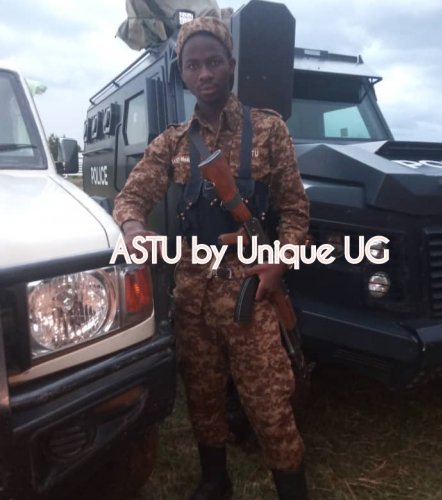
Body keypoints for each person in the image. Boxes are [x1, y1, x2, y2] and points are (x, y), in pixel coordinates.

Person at [113, 16, 310, 500]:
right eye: (193, 65)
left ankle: (293, 490)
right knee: (202, 395)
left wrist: (280, 262)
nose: (205, 73)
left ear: (231, 65)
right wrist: (133, 227)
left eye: (214, 62)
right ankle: (215, 480)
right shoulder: (173, 142)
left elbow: (295, 210)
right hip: (193, 296)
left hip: (250, 293)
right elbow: (130, 198)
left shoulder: (268, 129)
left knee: (269, 404)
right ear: (182, 73)